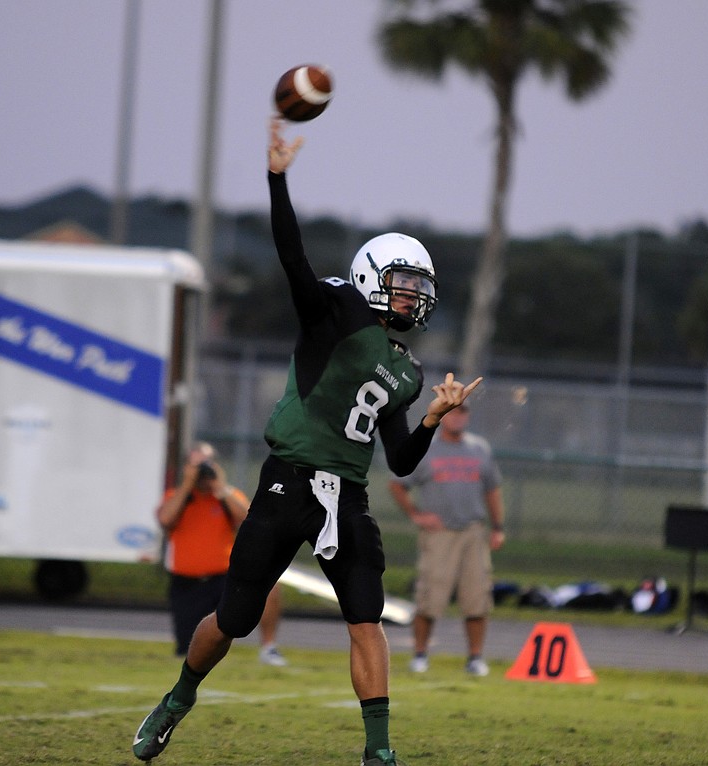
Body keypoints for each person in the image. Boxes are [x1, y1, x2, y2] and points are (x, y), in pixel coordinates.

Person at [131, 115, 482, 766]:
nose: (414, 297)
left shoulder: (407, 368)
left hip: (345, 495)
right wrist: (277, 178)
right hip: (287, 480)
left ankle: (378, 751)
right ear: (374, 277)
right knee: (233, 619)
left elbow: (400, 462)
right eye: (405, 284)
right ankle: (178, 699)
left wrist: (432, 418)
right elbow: (292, 256)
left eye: (420, 289)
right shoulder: (334, 312)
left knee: (365, 618)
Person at [389, 403, 505, 677]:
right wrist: (416, 514)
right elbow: (397, 484)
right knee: (430, 596)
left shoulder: (479, 448)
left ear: (468, 415)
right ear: (443, 416)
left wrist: (498, 527)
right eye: (452, 411)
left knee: (477, 597)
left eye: (463, 411)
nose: (458, 416)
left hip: (472, 532)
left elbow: (492, 490)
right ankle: (420, 654)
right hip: (439, 534)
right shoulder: (427, 448)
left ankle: (475, 658)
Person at [157, 442, 287, 666]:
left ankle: (268, 647)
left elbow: (249, 520)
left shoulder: (226, 495)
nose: (202, 472)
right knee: (188, 650)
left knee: (270, 586)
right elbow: (165, 519)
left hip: (223, 579)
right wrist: (188, 484)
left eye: (206, 464)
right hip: (187, 584)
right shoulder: (177, 496)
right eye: (196, 465)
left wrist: (221, 487)